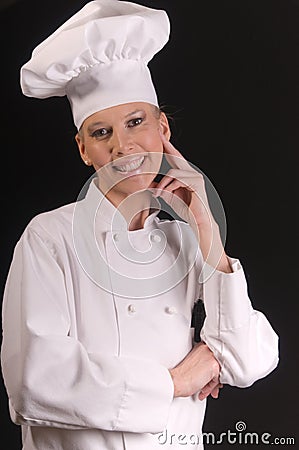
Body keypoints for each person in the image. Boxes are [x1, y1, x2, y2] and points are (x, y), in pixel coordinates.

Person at [1, 1, 279, 449]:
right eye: (101, 132)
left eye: (135, 123)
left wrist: (206, 225)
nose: (123, 146)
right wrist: (174, 383)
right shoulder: (49, 237)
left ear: (162, 128)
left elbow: (249, 356)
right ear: (83, 149)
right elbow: (35, 379)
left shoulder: (185, 242)